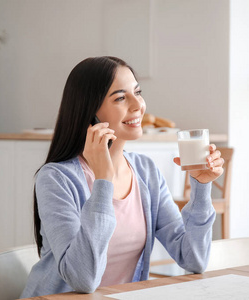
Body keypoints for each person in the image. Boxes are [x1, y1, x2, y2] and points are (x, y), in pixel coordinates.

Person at [21, 56, 224, 298]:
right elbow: (83, 279)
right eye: (120, 97)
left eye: (137, 92)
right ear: (89, 112)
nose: (137, 104)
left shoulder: (145, 171)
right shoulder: (56, 179)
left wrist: (201, 186)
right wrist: (103, 181)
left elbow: (194, 259)